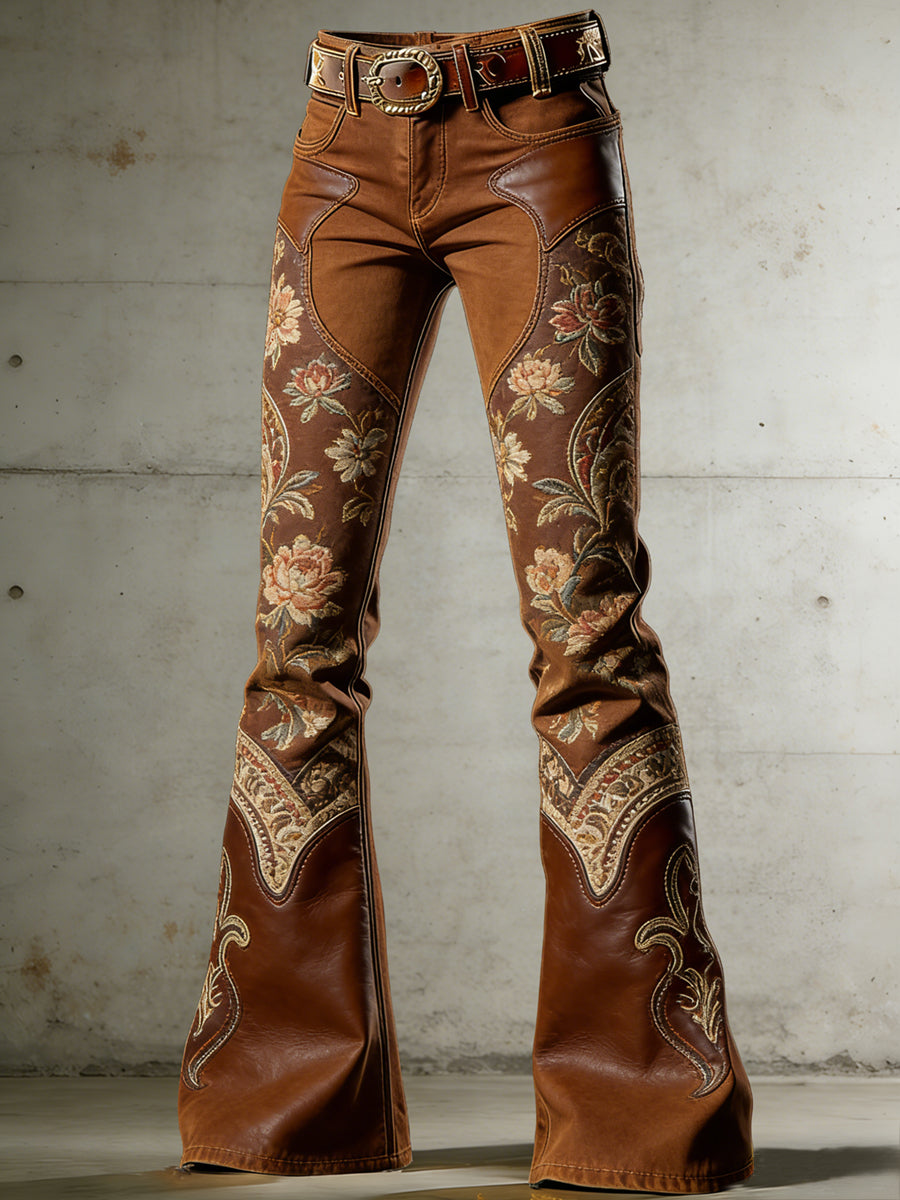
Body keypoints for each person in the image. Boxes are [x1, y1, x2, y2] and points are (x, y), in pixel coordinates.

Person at [177, 9, 754, 1192]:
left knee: (585, 622)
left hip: (542, 138)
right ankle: (285, 1106)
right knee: (299, 632)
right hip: (339, 147)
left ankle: (637, 1115)